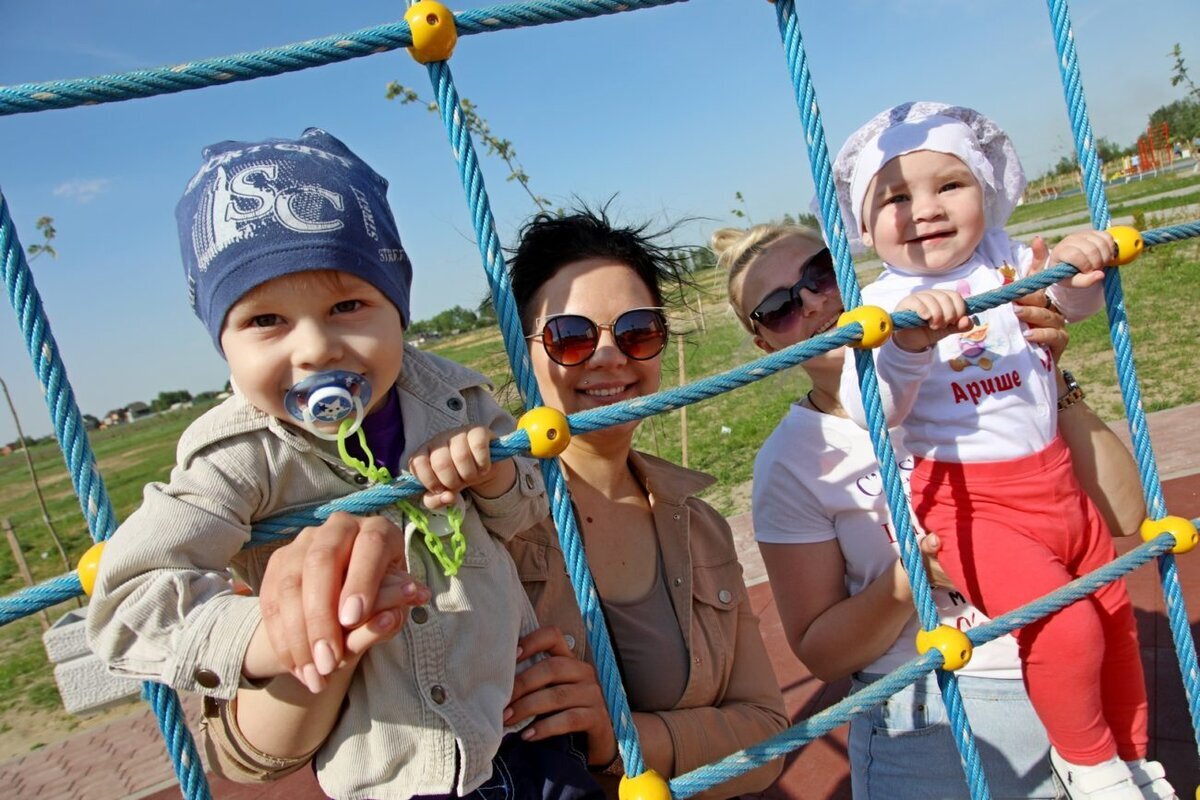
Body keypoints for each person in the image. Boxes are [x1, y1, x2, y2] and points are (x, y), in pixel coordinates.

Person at [86, 128, 604, 800]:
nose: (314, 348)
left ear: (397, 308)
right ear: (222, 341)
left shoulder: (456, 398)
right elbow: (127, 597)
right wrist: (267, 637)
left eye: (348, 306)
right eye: (265, 320)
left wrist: (494, 476)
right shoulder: (239, 455)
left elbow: (532, 506)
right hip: (396, 771)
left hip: (525, 730)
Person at [209, 206, 790, 800]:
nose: (610, 356)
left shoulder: (699, 525)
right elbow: (247, 757)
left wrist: (619, 737)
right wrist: (319, 621)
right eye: (571, 337)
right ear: (522, 354)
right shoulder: (458, 518)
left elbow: (768, 737)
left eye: (638, 331)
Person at [716, 217, 1154, 799]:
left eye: (821, 273)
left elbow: (1127, 515)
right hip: (946, 709)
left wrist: (1047, 380)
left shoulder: (970, 370)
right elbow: (821, 651)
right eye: (779, 308)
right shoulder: (795, 459)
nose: (816, 302)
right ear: (765, 343)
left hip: (1082, 671)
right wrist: (917, 575)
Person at [827, 101, 1171, 800]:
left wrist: (1079, 269)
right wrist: (908, 348)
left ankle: (1131, 758)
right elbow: (872, 410)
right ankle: (1088, 762)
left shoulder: (1010, 259)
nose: (924, 209)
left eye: (948, 185)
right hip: (969, 502)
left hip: (1056, 484)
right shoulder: (882, 304)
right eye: (895, 197)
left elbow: (1069, 308)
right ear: (864, 226)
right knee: (1066, 626)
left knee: (1115, 621)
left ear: (987, 193)